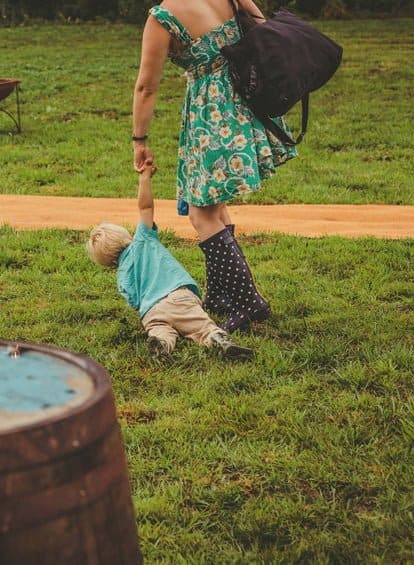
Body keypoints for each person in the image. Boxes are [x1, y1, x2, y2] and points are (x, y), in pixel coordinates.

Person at [132, 0, 298, 332]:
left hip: (211, 112)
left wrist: (139, 139)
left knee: (201, 213)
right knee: (213, 204)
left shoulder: (162, 18)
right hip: (244, 98)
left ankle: (249, 302)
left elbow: (146, 88)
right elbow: (262, 28)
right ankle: (221, 295)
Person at [86, 162, 252, 361]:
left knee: (159, 330)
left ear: (109, 263)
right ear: (126, 236)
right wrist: (144, 177)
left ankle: (161, 344)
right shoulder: (142, 240)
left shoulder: (121, 278)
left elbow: (134, 302)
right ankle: (218, 340)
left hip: (151, 312)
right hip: (178, 297)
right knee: (202, 327)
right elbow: (145, 206)